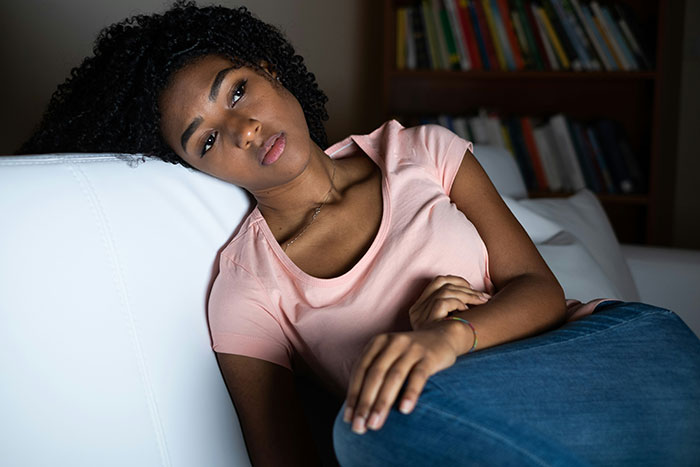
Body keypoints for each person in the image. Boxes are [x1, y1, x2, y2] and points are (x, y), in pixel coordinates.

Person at [18, 2, 700, 466]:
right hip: (448, 421)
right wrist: (419, 353)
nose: (244, 129)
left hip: (601, 352)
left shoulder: (421, 152)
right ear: (196, 169)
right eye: (206, 141)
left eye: (236, 91)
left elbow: (542, 293)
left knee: (661, 334)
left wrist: (448, 335)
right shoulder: (247, 290)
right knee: (381, 430)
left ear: (273, 72)